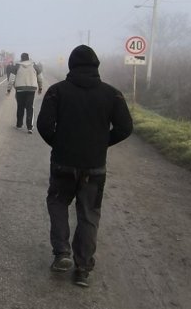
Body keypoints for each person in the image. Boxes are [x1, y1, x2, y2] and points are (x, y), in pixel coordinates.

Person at [36, 45, 133, 287]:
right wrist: (102, 144)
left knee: (58, 203)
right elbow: (125, 128)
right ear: (96, 66)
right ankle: (83, 268)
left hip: (63, 163)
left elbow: (44, 126)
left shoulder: (57, 92)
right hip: (94, 166)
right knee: (89, 214)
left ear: (70, 66)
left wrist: (59, 144)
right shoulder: (112, 94)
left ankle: (62, 253)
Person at [6, 52, 43, 133]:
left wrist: (9, 89)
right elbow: (40, 77)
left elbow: (11, 78)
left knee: (20, 106)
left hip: (20, 89)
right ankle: (30, 127)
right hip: (31, 89)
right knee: (30, 107)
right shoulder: (34, 65)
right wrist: (40, 88)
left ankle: (19, 125)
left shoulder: (17, 66)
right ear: (28, 58)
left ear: (21, 58)